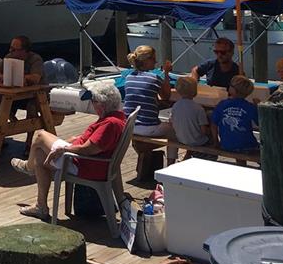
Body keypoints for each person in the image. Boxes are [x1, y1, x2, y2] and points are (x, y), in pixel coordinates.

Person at [11, 81, 127, 220]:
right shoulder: (117, 118)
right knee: (40, 154)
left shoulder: (110, 124)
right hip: (86, 161)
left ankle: (28, 167)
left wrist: (65, 149)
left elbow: (89, 149)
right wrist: (75, 140)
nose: (92, 105)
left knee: (40, 136)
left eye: (93, 102)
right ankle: (41, 206)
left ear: (102, 105)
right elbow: (93, 143)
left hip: (81, 163)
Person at [124, 45, 176, 158]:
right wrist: (166, 73)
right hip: (147, 127)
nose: (156, 62)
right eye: (153, 59)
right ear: (146, 60)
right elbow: (166, 96)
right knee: (174, 130)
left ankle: (144, 155)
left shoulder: (128, 77)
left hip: (129, 126)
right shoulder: (154, 78)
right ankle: (171, 162)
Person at [211, 75, 259, 156]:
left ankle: (240, 162)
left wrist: (216, 142)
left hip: (226, 145)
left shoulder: (222, 104)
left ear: (233, 90)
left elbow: (213, 124)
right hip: (247, 146)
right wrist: (258, 106)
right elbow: (260, 123)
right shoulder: (250, 107)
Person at [170, 76, 214, 159]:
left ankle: (188, 154)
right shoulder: (198, 108)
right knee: (212, 130)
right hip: (198, 141)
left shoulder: (175, 106)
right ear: (195, 92)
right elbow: (204, 131)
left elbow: (172, 122)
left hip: (181, 139)